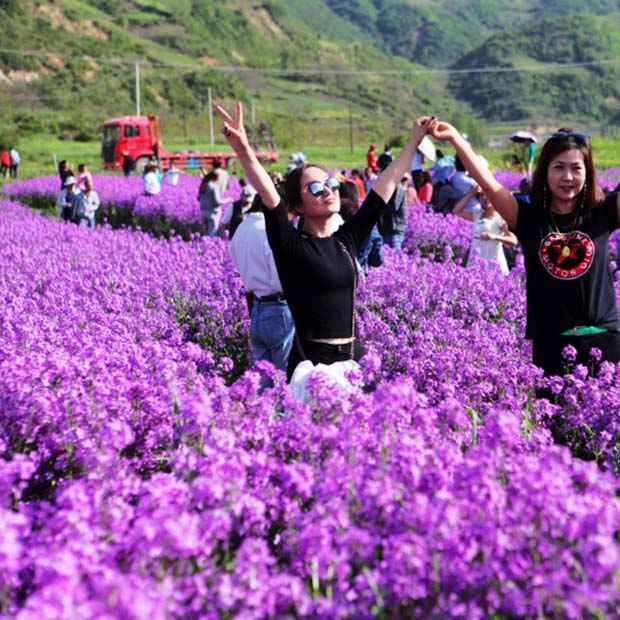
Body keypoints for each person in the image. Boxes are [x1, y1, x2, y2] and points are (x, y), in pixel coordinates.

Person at [215, 101, 434, 380]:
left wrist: (415, 139)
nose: (328, 191)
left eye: (331, 184)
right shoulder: (290, 245)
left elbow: (383, 189)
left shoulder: (347, 240)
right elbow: (269, 195)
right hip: (310, 369)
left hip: (353, 363)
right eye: (315, 188)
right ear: (298, 204)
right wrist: (243, 149)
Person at [430, 120, 620, 377]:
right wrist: (455, 139)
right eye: (559, 168)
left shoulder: (602, 213)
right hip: (551, 345)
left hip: (605, 342)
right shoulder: (528, 218)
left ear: (587, 173)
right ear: (545, 172)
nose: (568, 177)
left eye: (577, 168)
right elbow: (490, 185)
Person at [229, 194, 295, 372]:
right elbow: (280, 274)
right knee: (286, 376)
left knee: (262, 379)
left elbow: (234, 258)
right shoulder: (269, 229)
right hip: (279, 309)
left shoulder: (242, 227)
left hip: (256, 308)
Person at [452, 184, 517, 276]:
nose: (484, 198)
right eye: (481, 195)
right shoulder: (477, 214)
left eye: (487, 195)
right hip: (476, 259)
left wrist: (494, 236)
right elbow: (456, 210)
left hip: (493, 260)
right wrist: (471, 193)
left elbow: (513, 241)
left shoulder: (501, 217)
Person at [197, 170, 224, 236]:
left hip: (204, 212)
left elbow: (199, 198)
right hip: (212, 213)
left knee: (206, 234)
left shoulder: (203, 185)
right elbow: (217, 201)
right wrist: (227, 200)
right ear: (215, 178)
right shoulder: (214, 187)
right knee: (213, 234)